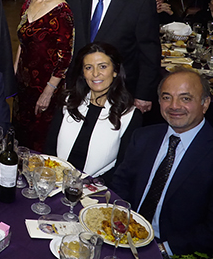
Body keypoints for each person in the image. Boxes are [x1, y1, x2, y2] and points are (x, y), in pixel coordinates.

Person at [112, 68, 213, 256]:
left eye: (185, 98)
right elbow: (120, 184)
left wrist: (162, 250)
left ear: (205, 104)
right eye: (166, 97)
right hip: (124, 235)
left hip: (175, 250)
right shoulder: (143, 137)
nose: (174, 106)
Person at [67, 0, 160, 115]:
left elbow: (149, 53)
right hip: (79, 89)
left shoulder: (140, 2)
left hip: (120, 93)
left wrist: (143, 93)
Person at [44, 43, 142, 183]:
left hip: (97, 190)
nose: (95, 74)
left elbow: (123, 166)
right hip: (56, 182)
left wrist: (91, 186)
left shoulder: (129, 115)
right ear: (83, 73)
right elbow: (50, 147)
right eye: (88, 68)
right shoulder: (69, 101)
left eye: (103, 66)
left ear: (115, 71)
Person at [12, 0, 74, 151]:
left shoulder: (62, 11)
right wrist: (14, 75)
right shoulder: (28, 3)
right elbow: (22, 43)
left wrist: (48, 92)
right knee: (19, 139)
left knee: (38, 143)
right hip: (23, 85)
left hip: (45, 87)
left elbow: (65, 58)